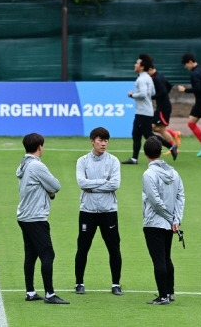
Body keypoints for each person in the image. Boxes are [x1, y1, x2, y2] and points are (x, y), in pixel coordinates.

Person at [16, 133, 70, 304]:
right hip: (35, 217)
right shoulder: (36, 166)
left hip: (25, 215)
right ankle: (50, 294)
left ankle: (31, 292)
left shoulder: (24, 164)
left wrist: (49, 193)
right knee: (48, 254)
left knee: (31, 254)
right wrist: (50, 192)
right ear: (39, 147)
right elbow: (55, 186)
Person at [74, 127, 124, 296]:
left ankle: (116, 284)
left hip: (108, 211)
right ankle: (79, 283)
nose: (104, 144)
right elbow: (81, 183)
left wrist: (92, 186)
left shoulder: (113, 161)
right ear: (92, 141)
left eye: (106, 140)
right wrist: (103, 183)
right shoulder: (82, 161)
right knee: (83, 247)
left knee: (114, 248)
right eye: (100, 140)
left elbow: (115, 184)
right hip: (87, 211)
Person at [141, 136, 185, 305]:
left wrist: (171, 218)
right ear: (161, 152)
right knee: (167, 258)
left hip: (154, 223)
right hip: (169, 224)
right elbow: (181, 196)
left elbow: (155, 201)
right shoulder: (174, 173)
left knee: (159, 260)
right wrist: (176, 219)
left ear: (145, 153)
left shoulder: (148, 174)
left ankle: (163, 296)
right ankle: (170, 292)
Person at [123, 54, 156, 165]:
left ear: (141, 67)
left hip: (143, 112)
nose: (135, 65)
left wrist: (132, 95)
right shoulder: (147, 77)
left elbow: (143, 94)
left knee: (148, 135)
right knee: (136, 134)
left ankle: (171, 146)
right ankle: (134, 159)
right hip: (144, 111)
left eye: (137, 63)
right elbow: (152, 93)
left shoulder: (141, 79)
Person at [147, 60, 180, 159]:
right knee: (158, 129)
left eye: (147, 72)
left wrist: (152, 97)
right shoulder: (159, 76)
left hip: (163, 108)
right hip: (163, 106)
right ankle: (174, 140)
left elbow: (163, 92)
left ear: (150, 69)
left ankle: (173, 145)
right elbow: (169, 86)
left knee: (153, 128)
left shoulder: (156, 78)